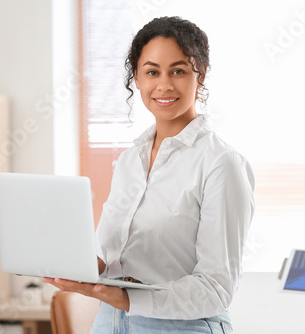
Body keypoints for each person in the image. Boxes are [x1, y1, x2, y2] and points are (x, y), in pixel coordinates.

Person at [43, 16, 255, 333]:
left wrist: (131, 300)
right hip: (108, 322)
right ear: (137, 79)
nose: (164, 85)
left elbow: (216, 288)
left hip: (182, 327)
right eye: (152, 72)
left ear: (201, 74)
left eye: (179, 71)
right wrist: (83, 269)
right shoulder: (130, 160)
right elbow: (112, 257)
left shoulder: (220, 163)